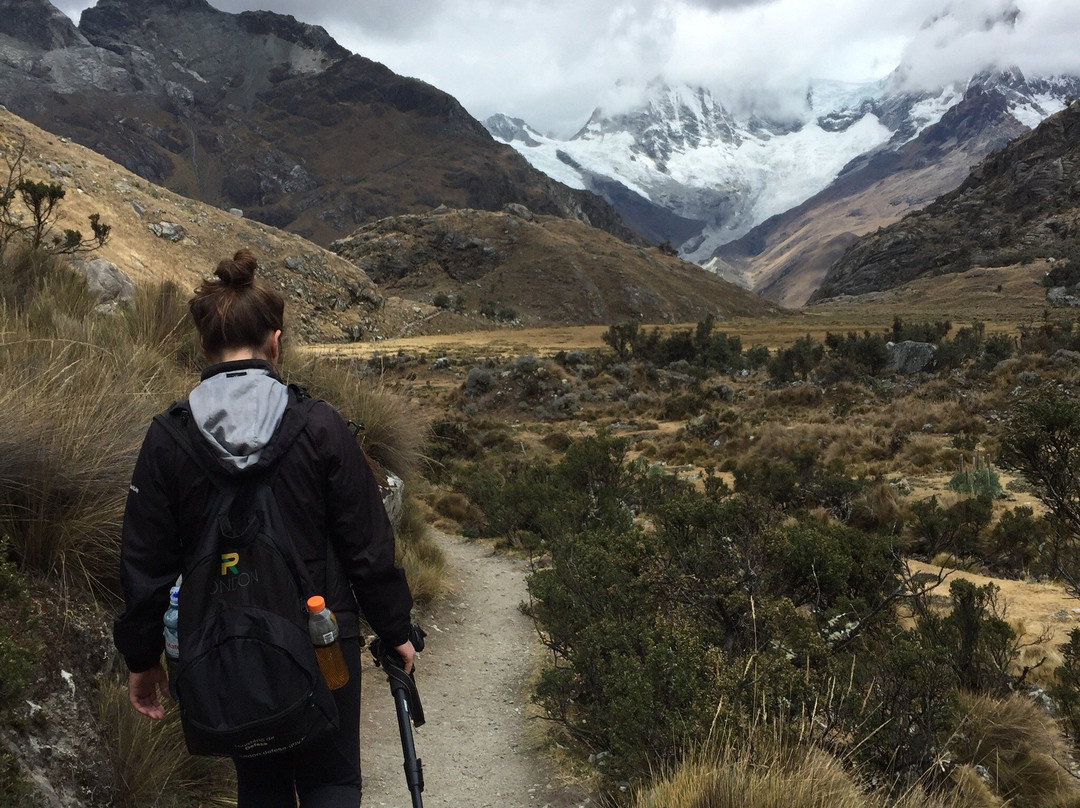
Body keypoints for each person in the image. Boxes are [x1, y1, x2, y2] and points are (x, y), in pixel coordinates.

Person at [113, 249, 415, 808]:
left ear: (203, 349)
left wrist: (141, 657)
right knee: (331, 777)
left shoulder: (167, 439)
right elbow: (368, 543)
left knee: (259, 781)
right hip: (325, 634)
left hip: (222, 638)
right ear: (275, 342)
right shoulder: (320, 425)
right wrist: (395, 627)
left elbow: (144, 563)